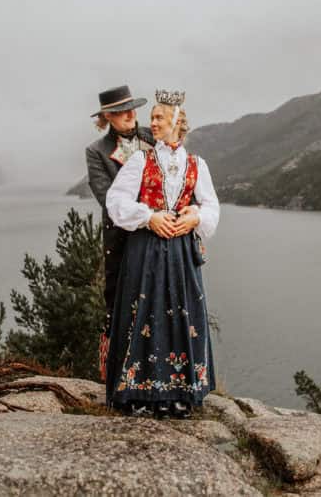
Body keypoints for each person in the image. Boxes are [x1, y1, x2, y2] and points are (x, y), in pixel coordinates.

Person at [104, 90, 220, 418]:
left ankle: (180, 393)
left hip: (181, 252)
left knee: (183, 315)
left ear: (176, 121)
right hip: (145, 251)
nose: (152, 123)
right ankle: (138, 393)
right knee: (144, 314)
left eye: (159, 117)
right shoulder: (140, 161)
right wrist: (149, 217)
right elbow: (116, 201)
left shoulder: (196, 165)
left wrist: (195, 217)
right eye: (152, 117)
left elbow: (211, 205)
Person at [85, 85, 155, 381]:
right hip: (122, 239)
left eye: (131, 108)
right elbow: (108, 199)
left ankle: (159, 377)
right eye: (120, 111)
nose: (129, 114)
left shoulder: (153, 137)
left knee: (158, 303)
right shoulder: (96, 151)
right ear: (107, 117)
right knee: (121, 305)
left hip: (159, 236)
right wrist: (149, 215)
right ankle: (120, 379)